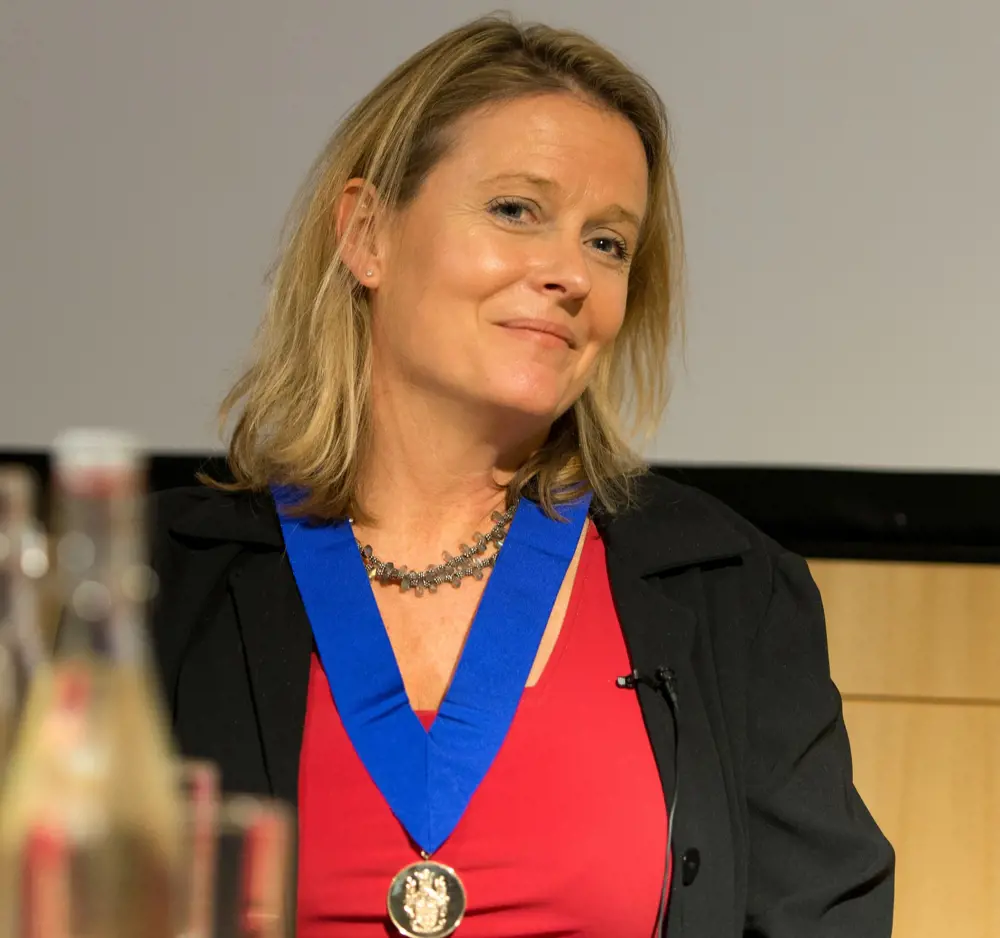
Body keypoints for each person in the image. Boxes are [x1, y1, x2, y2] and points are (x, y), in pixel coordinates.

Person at [149, 14, 894, 938]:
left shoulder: (733, 593)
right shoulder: (151, 586)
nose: (569, 274)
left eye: (608, 243)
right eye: (516, 210)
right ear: (367, 233)